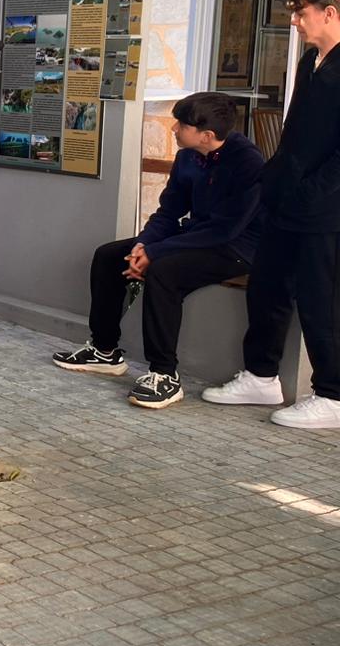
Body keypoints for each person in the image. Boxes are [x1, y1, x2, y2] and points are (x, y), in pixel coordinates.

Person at [52, 92, 263, 409]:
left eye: (182, 125)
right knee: (110, 255)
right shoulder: (188, 156)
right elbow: (168, 212)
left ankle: (164, 374)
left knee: (164, 271)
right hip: (197, 235)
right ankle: (104, 351)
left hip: (237, 247)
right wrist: (144, 244)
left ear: (206, 135)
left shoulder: (248, 163)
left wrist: (157, 253)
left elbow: (225, 230)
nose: (173, 128)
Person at [202, 0, 340, 428]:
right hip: (285, 200)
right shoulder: (310, 61)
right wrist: (275, 180)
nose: (294, 22)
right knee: (267, 288)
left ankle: (333, 395)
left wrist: (310, 192)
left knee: (323, 301)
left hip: (326, 209)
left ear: (329, 12)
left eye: (301, 13)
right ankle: (261, 377)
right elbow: (297, 133)